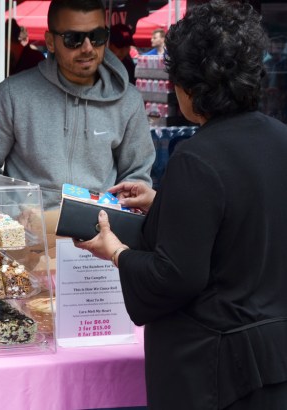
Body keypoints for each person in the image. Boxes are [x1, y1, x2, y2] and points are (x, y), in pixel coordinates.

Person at [75, 1, 287, 408]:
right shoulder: (279, 138)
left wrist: (116, 252)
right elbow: (248, 218)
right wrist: (166, 203)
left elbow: (175, 276)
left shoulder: (198, 157)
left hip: (215, 369)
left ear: (189, 87)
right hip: (274, 356)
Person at [0, 0, 155, 210]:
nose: (87, 47)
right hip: (30, 234)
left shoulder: (128, 101)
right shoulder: (12, 95)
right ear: (50, 41)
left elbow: (137, 175)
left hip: (101, 233)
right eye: (73, 39)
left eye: (97, 37)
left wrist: (114, 216)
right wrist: (18, 215)